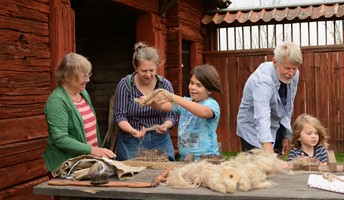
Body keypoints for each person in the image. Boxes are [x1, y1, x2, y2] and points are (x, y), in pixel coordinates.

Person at [43, 52, 116, 173]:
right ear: (67, 77)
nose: (88, 80)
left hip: (86, 162)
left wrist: (95, 152)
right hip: (67, 166)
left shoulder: (83, 93)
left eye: (88, 75)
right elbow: (60, 138)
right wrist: (92, 150)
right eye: (83, 76)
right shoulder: (56, 101)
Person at [236, 42, 303, 156]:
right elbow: (262, 117)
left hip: (276, 124)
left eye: (294, 68)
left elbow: (288, 105)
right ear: (275, 62)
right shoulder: (262, 81)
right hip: (253, 127)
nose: (291, 73)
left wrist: (286, 134)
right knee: (259, 166)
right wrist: (268, 152)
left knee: (276, 167)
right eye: (287, 68)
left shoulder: (294, 75)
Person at [114, 42, 178, 161]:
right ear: (135, 67)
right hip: (132, 140)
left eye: (152, 70)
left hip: (160, 139)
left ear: (157, 66)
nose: (148, 75)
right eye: (143, 70)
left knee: (164, 172)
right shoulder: (126, 85)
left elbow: (172, 114)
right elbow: (119, 117)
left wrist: (166, 125)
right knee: (132, 176)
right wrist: (132, 130)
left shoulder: (165, 85)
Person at [150, 64, 223, 161]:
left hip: (207, 160)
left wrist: (173, 97)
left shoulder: (212, 104)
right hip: (186, 159)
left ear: (209, 89)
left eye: (198, 85)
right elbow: (161, 106)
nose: (192, 87)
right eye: (191, 83)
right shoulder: (185, 102)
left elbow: (203, 112)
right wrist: (150, 100)